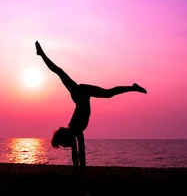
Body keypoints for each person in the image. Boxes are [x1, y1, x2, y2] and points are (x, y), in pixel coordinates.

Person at [35, 41, 147, 172]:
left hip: (79, 94)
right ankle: (133, 87)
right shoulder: (77, 132)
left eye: (62, 145)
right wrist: (80, 168)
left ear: (65, 137)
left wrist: (78, 167)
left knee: (60, 73)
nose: (65, 147)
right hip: (81, 93)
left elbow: (76, 152)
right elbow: (80, 151)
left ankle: (42, 54)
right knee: (106, 93)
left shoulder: (74, 130)